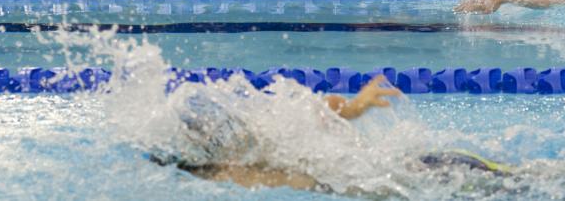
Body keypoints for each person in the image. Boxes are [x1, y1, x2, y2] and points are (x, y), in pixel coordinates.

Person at [163, 75, 511, 193]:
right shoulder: (276, 126)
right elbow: (321, 106)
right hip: (429, 165)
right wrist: (357, 107)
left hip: (428, 181)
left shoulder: (262, 167)